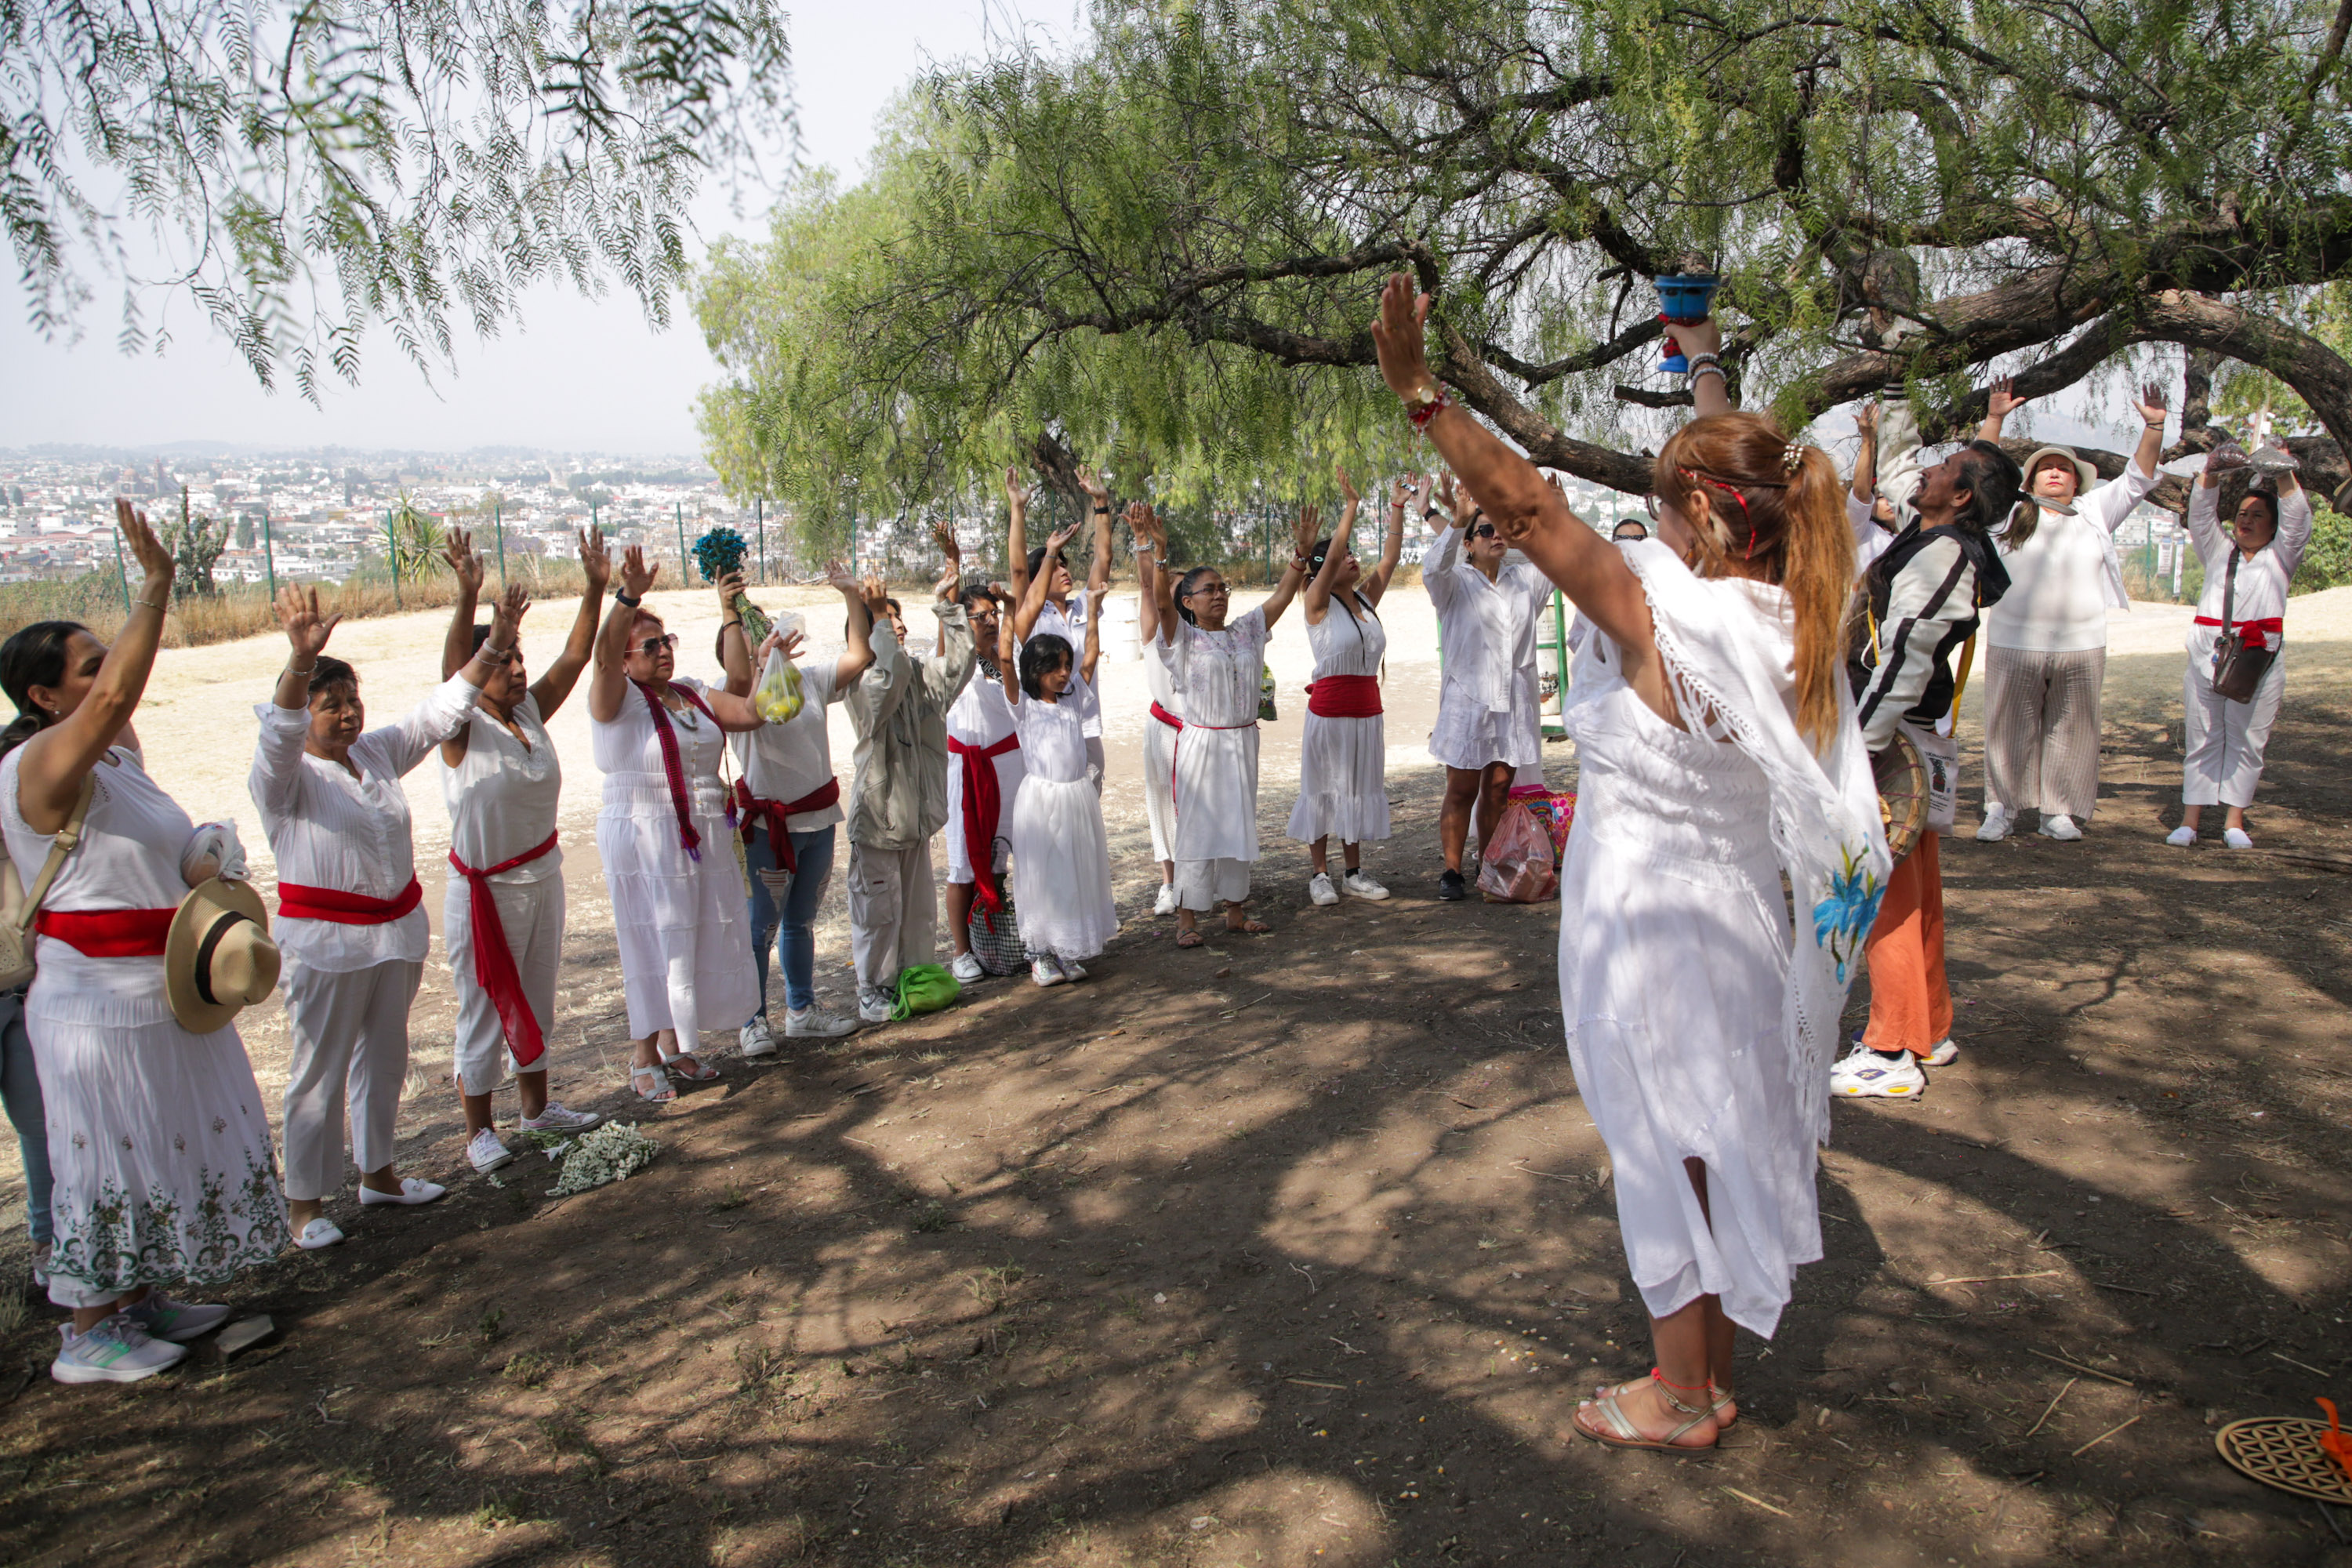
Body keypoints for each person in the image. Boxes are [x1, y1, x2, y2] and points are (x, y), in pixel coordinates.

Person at [1373, 278, 1888, 1455]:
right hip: (1737, 928)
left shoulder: (1666, 619)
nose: (1650, 524)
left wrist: (1422, 397)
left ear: (1704, 521)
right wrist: (1701, 360)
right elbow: (1751, 468)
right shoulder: (1803, 609)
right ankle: (1698, 1375)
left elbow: (1530, 506)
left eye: (1665, 505)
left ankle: (1681, 1394)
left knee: (1658, 1150)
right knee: (1706, 1143)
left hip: (1648, 933)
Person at [7, 501, 287, 1381]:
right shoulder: (37, 769)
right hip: (94, 1006)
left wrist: (205, 853)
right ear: (45, 696)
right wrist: (157, 589)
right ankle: (87, 1329)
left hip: (160, 989)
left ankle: (140, 1294)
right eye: (88, 670)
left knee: (157, 1142)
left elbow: (154, 850)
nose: (110, 680)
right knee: (105, 1150)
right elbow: (123, 693)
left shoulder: (117, 762)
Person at [252, 580, 523, 1247]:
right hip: (324, 945)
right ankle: (306, 1206)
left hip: (393, 938)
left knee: (385, 1059)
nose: (347, 716)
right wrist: (298, 660)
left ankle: (379, 1174)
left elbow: (439, 712)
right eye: (330, 706)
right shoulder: (283, 778)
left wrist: (494, 644)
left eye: (352, 702)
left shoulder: (373, 754)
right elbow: (281, 732)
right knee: (319, 1069)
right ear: (304, 713)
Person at [1834, 429, 2022, 1098]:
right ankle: (1928, 1027)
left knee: (1880, 886)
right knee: (1909, 887)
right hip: (1895, 731)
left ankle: (1890, 1048)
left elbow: (1908, 654)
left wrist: (1859, 744)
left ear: (1962, 495)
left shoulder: (1946, 551)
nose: (1927, 471)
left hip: (1890, 734)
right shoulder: (1936, 540)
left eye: (1943, 468)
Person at [435, 528, 612, 1175]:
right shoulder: (460, 729)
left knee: (537, 994)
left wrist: (595, 587)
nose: (515, 668)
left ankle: (535, 1109)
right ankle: (478, 1130)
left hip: (543, 876)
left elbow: (574, 653)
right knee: (482, 1006)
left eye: (516, 657)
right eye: (502, 659)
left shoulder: (530, 712)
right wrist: (469, 598)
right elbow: (453, 670)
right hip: (486, 891)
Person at [588, 548, 771, 1101]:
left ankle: (678, 1045)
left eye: (666, 642)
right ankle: (644, 1056)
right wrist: (626, 598)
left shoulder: (690, 691)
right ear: (624, 659)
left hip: (700, 833)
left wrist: (768, 661)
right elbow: (598, 660)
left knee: (691, 935)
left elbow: (750, 709)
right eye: (650, 646)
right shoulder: (617, 700)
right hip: (643, 832)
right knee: (650, 939)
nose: (664, 652)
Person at [1974, 380, 2169, 842]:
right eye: (2046, 469)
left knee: (2072, 728)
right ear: (2030, 480)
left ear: (2078, 480)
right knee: (2008, 729)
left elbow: (2139, 478)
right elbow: (1978, 473)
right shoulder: (2009, 514)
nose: (2056, 474)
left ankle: (2057, 812)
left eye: (2064, 469)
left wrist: (2155, 427)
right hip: (2015, 641)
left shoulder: (2096, 510)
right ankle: (2001, 808)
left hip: (2082, 645)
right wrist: (1996, 419)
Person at [1135, 504, 1308, 946]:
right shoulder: (1183, 638)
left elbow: (1283, 598)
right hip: (1202, 745)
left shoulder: (1246, 631)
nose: (1219, 595)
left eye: (1223, 588)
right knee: (1197, 827)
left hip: (1242, 741)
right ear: (1188, 602)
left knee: (1237, 823)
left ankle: (1235, 910)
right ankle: (1187, 918)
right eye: (1208, 590)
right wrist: (1159, 553)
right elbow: (1159, 601)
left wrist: (1301, 557)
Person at [717, 560, 873, 1045]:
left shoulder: (809, 681)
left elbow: (859, 656)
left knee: (800, 921)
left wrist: (851, 595)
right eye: (751, 634)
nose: (766, 634)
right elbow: (748, 697)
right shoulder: (738, 693)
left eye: (764, 627)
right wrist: (730, 612)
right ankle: (752, 1019)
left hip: (818, 822)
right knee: (759, 927)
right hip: (767, 831)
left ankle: (801, 1010)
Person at [841, 530, 975, 1023]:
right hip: (878, 822)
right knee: (878, 913)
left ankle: (912, 980)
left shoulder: (919, 675)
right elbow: (886, 682)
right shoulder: (863, 683)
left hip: (915, 819)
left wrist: (947, 603)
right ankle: (872, 988)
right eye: (888, 622)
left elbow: (961, 666)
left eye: (897, 620)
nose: (897, 628)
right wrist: (874, 616)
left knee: (917, 913)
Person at [2172, 448, 2313, 848]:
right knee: (2203, 736)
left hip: (2257, 660)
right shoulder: (2219, 551)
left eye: (2258, 516)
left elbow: (2299, 521)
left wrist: (2283, 473)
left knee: (2248, 739)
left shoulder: (2281, 557)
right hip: (2207, 654)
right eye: (2243, 515)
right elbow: (2201, 517)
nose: (2247, 522)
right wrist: (2211, 472)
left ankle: (2234, 821)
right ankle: (2190, 821)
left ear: (2274, 526)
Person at [1426, 469, 1553, 901]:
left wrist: (1553, 512)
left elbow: (1555, 558)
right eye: (1484, 530)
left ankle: (1490, 862)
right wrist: (1457, 520)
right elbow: (1433, 567)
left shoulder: (1525, 582)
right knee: (1461, 788)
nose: (1494, 534)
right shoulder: (1454, 583)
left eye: (1498, 528)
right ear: (1469, 542)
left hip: (1513, 700)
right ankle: (1451, 871)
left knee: (1499, 787)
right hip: (1469, 697)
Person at [1288, 464, 1406, 903]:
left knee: (1356, 788)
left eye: (1355, 553)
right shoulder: (1317, 603)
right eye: (1343, 556)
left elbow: (1391, 558)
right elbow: (1333, 554)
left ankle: (1353, 873)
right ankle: (1319, 874)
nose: (1352, 558)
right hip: (1330, 713)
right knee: (1322, 788)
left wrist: (1396, 508)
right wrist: (1351, 506)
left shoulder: (1364, 599)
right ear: (1324, 570)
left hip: (1366, 711)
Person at [1000, 585, 1116, 984]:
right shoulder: (1024, 706)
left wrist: (1095, 612)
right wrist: (1010, 611)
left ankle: (1068, 948)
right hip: (1042, 800)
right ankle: (1040, 954)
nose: (1064, 672)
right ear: (1034, 671)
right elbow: (1004, 656)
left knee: (1074, 869)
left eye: (1066, 664)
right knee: (1044, 872)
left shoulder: (1073, 698)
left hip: (1076, 797)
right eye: (1054, 666)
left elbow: (1092, 656)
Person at [941, 561, 1023, 984]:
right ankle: (960, 952)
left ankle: (993, 938)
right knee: (963, 866)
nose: (991, 622)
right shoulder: (953, 663)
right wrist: (950, 582)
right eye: (980, 616)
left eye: (995, 614)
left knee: (998, 861)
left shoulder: (1009, 658)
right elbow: (949, 640)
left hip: (1010, 768)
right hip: (969, 772)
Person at [1009, 466, 1114, 789]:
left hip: (1086, 720)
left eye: (1065, 565)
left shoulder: (1085, 605)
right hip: (1046, 723)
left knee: (1085, 805)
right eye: (1054, 567)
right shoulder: (1033, 616)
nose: (1063, 571)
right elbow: (1016, 571)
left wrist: (1100, 504)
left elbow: (1104, 559)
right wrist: (1018, 508)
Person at [1132, 506, 1183, 914]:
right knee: (1163, 806)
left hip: (1201, 732)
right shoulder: (1155, 636)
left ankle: (1204, 877)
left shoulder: (1205, 636)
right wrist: (1142, 544)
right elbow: (1150, 589)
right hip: (1165, 731)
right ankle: (1169, 883)